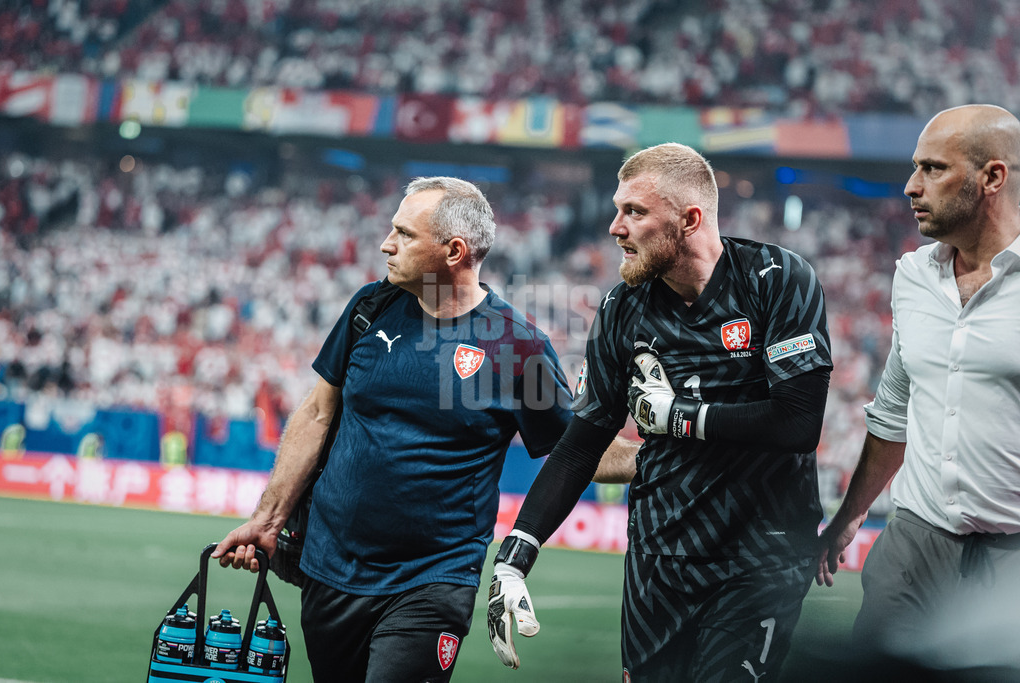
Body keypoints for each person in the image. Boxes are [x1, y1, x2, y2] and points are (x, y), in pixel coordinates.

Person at [212, 176, 636, 682]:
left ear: (454, 251)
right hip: (327, 572)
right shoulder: (371, 309)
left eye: (405, 234)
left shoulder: (517, 346)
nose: (387, 244)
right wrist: (267, 518)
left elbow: (575, 447)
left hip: (431, 582)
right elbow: (316, 413)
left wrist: (660, 455)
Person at [487, 143, 833, 682]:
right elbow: (582, 443)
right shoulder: (622, 308)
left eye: (635, 212)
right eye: (617, 209)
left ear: (689, 219)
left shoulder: (776, 279)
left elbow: (798, 423)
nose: (614, 227)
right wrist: (516, 552)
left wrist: (681, 416)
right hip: (659, 561)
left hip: (761, 557)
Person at [817, 104, 1020, 672]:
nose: (911, 186)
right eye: (915, 168)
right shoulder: (912, 277)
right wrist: (850, 517)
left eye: (933, 169)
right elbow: (895, 410)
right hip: (914, 539)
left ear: (992, 178)